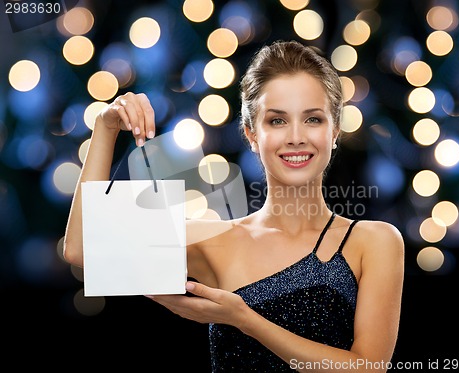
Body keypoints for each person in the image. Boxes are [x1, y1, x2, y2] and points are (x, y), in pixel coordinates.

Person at [64, 40, 404, 372]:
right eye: (277, 120)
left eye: (313, 119)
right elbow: (82, 250)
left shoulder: (373, 241)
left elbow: (367, 367)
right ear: (252, 135)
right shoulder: (216, 239)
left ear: (334, 132)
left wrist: (243, 319)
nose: (296, 136)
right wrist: (105, 129)